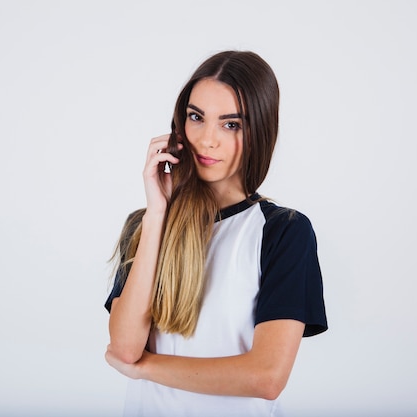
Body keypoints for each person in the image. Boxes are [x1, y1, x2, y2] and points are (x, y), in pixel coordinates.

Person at [104, 50, 327, 417]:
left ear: (260, 130)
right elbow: (125, 347)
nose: (207, 140)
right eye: (196, 117)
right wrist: (159, 213)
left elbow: (267, 377)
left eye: (231, 124)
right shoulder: (145, 225)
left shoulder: (283, 232)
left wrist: (146, 369)